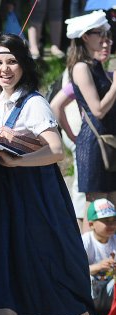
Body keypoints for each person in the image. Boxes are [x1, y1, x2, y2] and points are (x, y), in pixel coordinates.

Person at [0, 33, 109, 315]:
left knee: (46, 271)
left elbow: (56, 150)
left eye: (11, 61)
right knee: (2, 272)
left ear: (24, 64)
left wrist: (17, 161)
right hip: (3, 202)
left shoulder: (34, 103)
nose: (4, 69)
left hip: (34, 203)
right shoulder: (0, 103)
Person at [66, 11, 116, 209]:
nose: (105, 39)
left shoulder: (97, 66)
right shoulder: (81, 67)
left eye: (107, 34)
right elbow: (98, 110)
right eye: (100, 33)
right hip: (94, 143)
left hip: (107, 140)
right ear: (85, 37)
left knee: (111, 206)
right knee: (97, 207)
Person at [82, 199, 116, 315]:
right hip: (92, 287)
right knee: (88, 280)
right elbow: (76, 271)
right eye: (106, 221)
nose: (111, 224)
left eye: (113, 220)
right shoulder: (86, 241)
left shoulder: (114, 239)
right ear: (91, 224)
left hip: (109, 287)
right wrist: (99, 266)